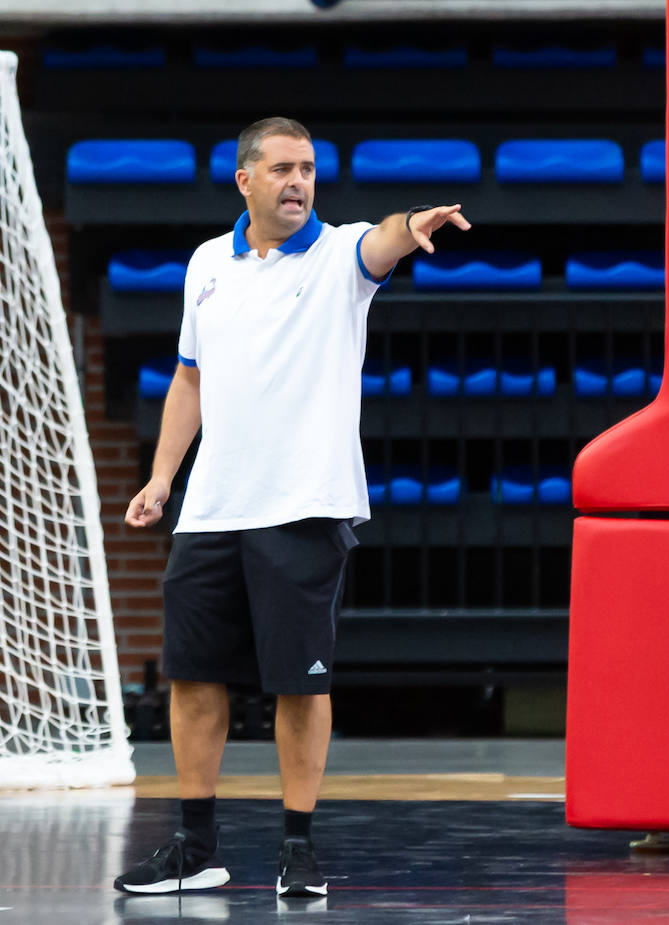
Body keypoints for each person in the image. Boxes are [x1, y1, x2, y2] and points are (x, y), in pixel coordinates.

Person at [113, 117, 471, 897]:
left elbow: (383, 239)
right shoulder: (208, 263)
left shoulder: (341, 254)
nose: (298, 182)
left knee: (301, 685)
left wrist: (413, 225)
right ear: (245, 179)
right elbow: (189, 379)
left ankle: (298, 848)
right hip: (211, 510)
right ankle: (196, 847)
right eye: (281, 168)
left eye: (307, 168)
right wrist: (162, 478)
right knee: (194, 676)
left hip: (305, 506)